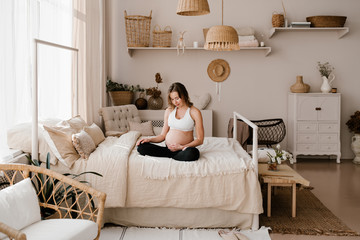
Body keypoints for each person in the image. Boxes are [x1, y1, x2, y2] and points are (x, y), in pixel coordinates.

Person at [137, 82, 204, 161]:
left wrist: (182, 147)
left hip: (183, 149)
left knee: (193, 153)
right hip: (167, 149)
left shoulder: (194, 112)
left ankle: (173, 155)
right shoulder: (169, 111)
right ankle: (173, 155)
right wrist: (149, 139)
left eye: (177, 98)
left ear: (184, 95)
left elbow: (200, 140)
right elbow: (162, 136)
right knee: (141, 147)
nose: (175, 102)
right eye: (172, 99)